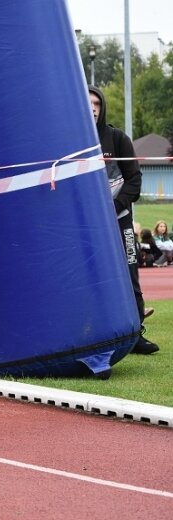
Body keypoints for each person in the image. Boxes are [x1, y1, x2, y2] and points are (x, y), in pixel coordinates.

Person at [88, 86, 159, 355]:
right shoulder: (71, 141)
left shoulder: (117, 138)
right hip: (87, 226)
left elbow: (135, 181)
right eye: (88, 102)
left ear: (103, 107)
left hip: (120, 221)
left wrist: (114, 205)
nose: (93, 107)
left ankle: (136, 334)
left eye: (97, 102)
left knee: (130, 275)